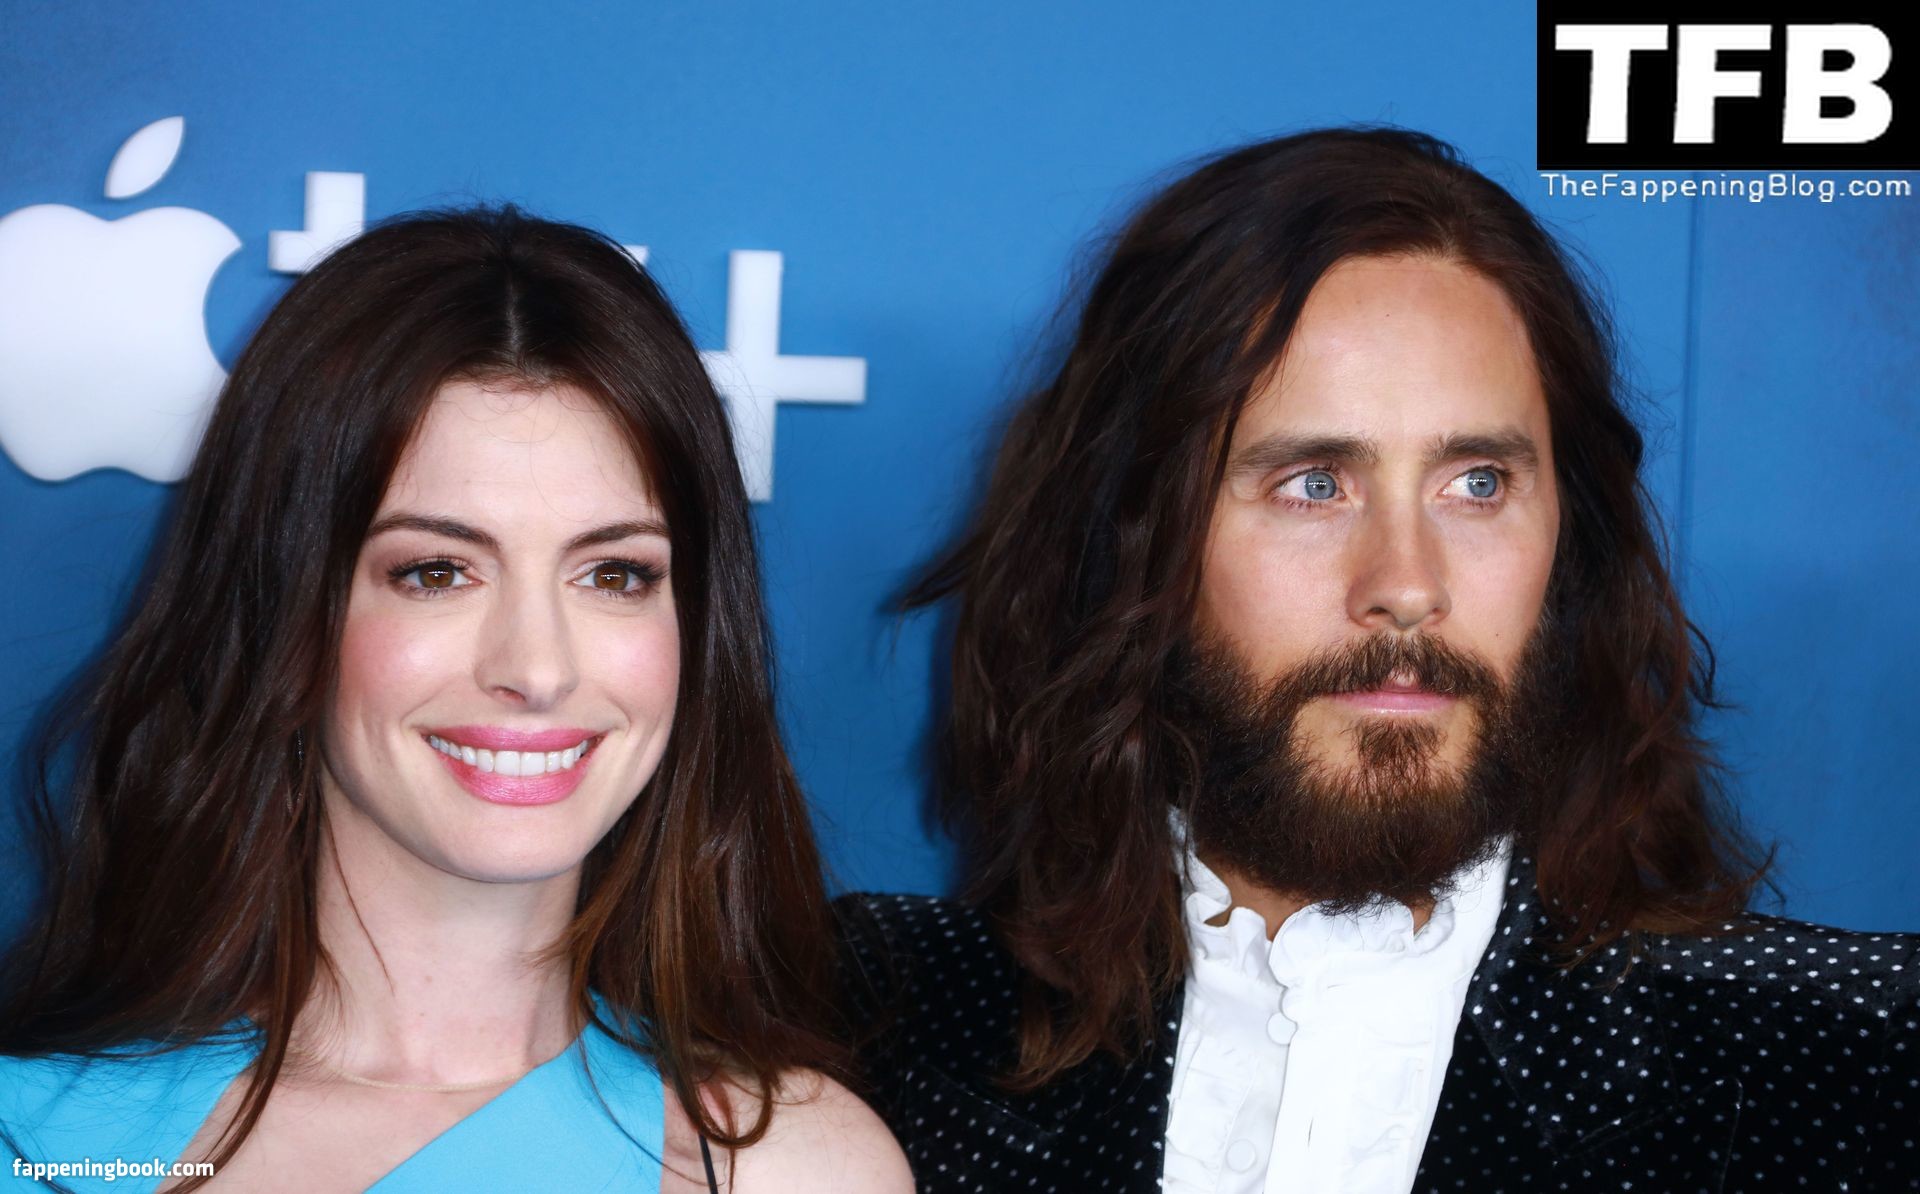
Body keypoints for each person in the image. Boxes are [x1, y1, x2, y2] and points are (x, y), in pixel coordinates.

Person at [838, 128, 1920, 1192]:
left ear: (1570, 542)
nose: (1407, 583)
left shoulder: (1859, 1057)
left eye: (1478, 485)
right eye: (1314, 485)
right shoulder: (869, 1030)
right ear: (1133, 536)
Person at [0, 207, 911, 1193]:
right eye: (437, 571)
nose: (538, 667)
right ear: (281, 611)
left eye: (614, 574)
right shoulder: (35, 1141)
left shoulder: (793, 1168)